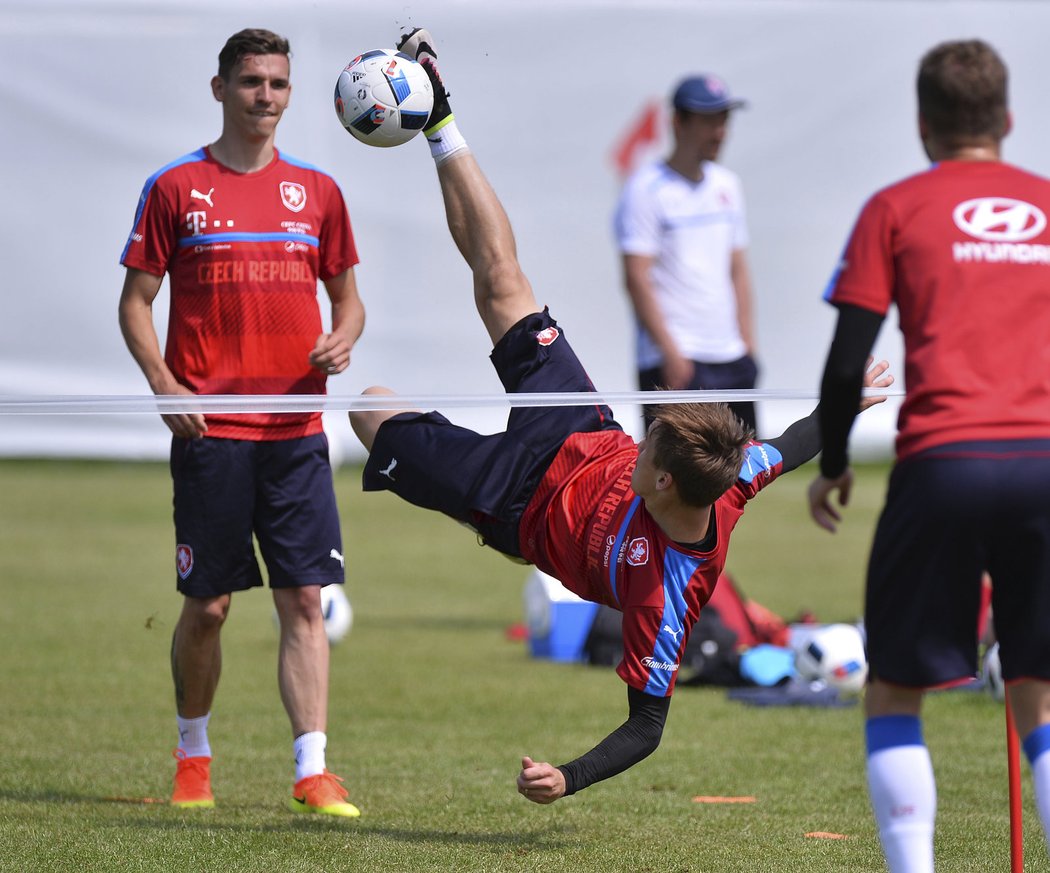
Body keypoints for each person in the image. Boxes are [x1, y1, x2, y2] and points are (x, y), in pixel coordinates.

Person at [352, 28, 890, 805]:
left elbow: (647, 726)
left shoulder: (665, 594)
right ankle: (440, 121)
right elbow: (796, 442)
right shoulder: (729, 477)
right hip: (575, 429)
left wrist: (567, 777)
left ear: (663, 481)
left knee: (369, 409)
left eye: (651, 450)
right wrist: (847, 401)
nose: (644, 446)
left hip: (515, 503)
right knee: (503, 281)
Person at [806, 39, 1050, 872]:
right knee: (1038, 689)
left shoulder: (895, 207)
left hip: (942, 464)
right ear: (1008, 119)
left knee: (895, 689)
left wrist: (833, 459)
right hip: (1045, 464)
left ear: (922, 125)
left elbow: (847, 363)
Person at [117, 28, 365, 818]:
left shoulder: (318, 193)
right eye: (252, 81)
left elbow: (349, 299)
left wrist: (344, 336)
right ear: (220, 88)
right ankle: (194, 756)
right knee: (211, 604)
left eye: (279, 83)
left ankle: (313, 769)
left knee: (304, 600)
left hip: (294, 435)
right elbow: (135, 302)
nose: (267, 96)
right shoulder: (174, 188)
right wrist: (163, 381)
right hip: (210, 434)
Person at [613, 72, 758, 432]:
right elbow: (636, 277)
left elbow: (737, 269)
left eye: (724, 119)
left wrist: (747, 344)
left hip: (730, 356)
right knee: (672, 483)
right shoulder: (646, 189)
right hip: (676, 362)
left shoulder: (727, 185)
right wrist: (670, 353)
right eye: (710, 120)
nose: (720, 131)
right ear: (678, 123)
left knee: (744, 476)